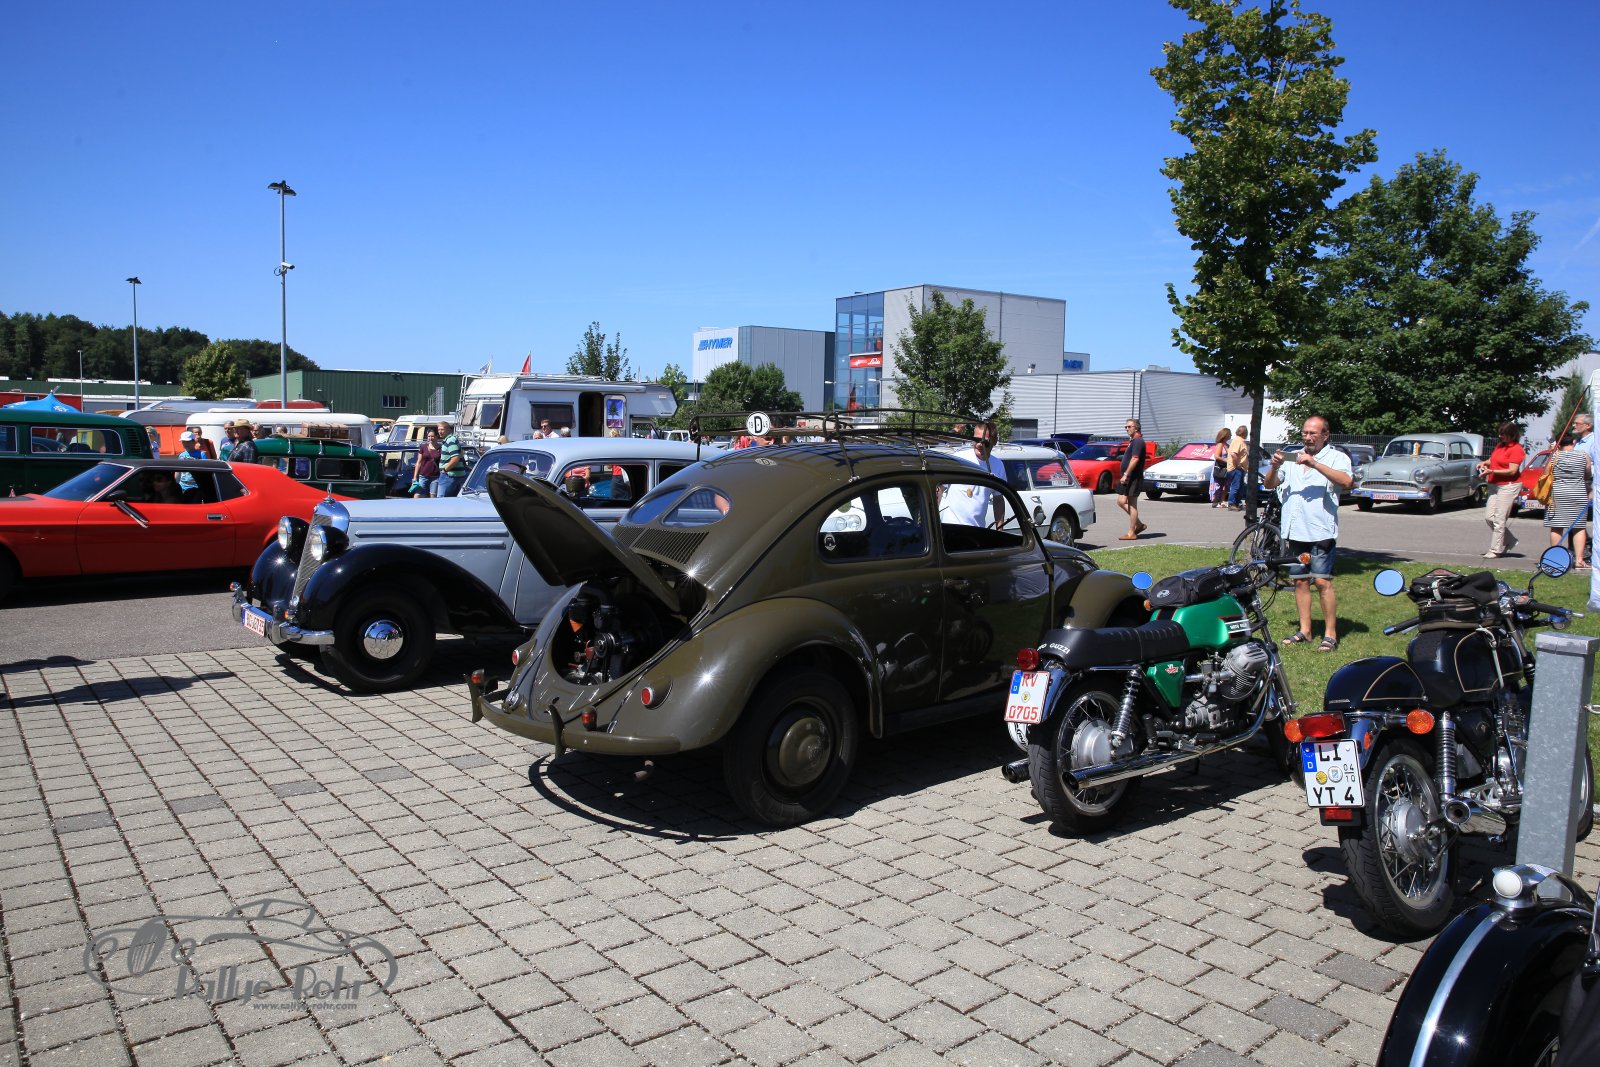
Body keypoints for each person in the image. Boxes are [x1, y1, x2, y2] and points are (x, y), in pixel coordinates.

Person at [1266, 415, 1354, 652]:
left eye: (1313, 433)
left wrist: (1314, 464)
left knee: (1322, 581)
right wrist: (1274, 466)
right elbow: (1270, 484)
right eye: (1305, 433)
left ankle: (1330, 634)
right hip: (1295, 530)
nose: (1308, 437)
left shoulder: (1336, 458)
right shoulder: (1291, 457)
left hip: (1320, 530)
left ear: (1325, 435)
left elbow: (1347, 482)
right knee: (1301, 581)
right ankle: (1305, 631)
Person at [943, 421, 1006, 528]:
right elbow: (939, 489)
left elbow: (998, 499)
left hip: (977, 531)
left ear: (994, 441)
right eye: (976, 440)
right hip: (950, 528)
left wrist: (1000, 529)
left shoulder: (997, 465)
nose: (979, 444)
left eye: (984, 441)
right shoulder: (958, 459)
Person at [1477, 421, 1525, 559]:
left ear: (1512, 435)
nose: (1500, 436)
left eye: (1503, 434)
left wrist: (1492, 471)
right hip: (1494, 485)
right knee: (1489, 517)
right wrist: (1485, 463)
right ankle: (1510, 540)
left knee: (1499, 518)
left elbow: (1512, 471)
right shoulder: (1500, 445)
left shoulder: (1516, 449)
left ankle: (1495, 550)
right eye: (1500, 434)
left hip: (1508, 486)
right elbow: (1493, 459)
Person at [1544, 433, 1591, 570]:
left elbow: (1546, 473)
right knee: (1579, 527)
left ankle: (1555, 560)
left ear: (1558, 444)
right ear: (1573, 442)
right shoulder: (1584, 455)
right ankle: (1579, 560)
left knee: (1557, 527)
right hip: (1578, 493)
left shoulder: (1555, 456)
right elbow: (1587, 474)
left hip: (1558, 494)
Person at [1116, 418, 1148, 540]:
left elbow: (1135, 459)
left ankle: (1131, 532)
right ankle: (1139, 524)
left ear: (1136, 428)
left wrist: (1126, 474)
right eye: (1126, 427)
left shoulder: (1138, 441)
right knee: (1121, 501)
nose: (1127, 429)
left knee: (1132, 504)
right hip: (1128, 477)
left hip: (1133, 478)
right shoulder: (1133, 441)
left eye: (1129, 427)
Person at [434, 421, 465, 497]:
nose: (440, 432)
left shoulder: (450, 440)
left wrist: (444, 470)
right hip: (454, 475)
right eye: (438, 430)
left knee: (441, 500)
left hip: (449, 476)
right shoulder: (451, 440)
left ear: (448, 429)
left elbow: (455, 458)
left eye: (442, 429)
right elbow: (461, 454)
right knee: (452, 501)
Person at [1227, 424, 1250, 509]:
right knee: (1236, 486)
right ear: (1245, 433)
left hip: (1241, 468)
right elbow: (1233, 454)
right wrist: (1237, 464)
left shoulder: (1240, 441)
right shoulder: (1238, 441)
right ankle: (1231, 503)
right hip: (1236, 468)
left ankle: (1238, 503)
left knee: (1240, 487)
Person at [413, 429, 441, 497]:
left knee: (433, 496)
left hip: (435, 477)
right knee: (418, 495)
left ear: (437, 436)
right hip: (423, 476)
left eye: (432, 436)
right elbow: (418, 462)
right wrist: (415, 477)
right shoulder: (423, 447)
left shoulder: (441, 448)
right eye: (429, 436)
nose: (430, 438)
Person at [1209, 427, 1231, 507]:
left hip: (1226, 467)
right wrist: (1226, 460)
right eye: (1230, 434)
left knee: (1226, 484)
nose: (1231, 435)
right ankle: (1215, 501)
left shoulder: (1227, 445)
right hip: (1220, 467)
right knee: (1218, 484)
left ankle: (1222, 500)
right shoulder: (1220, 445)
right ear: (1225, 435)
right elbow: (1217, 456)